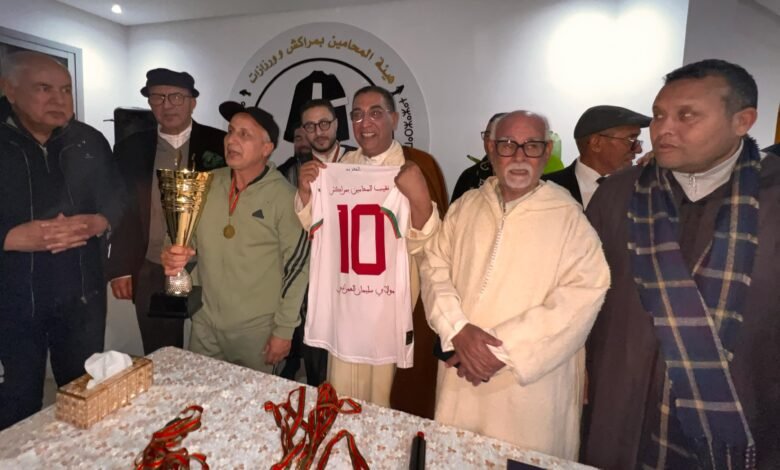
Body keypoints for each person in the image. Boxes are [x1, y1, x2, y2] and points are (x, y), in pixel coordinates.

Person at [585, 59, 780, 468]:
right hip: (622, 410)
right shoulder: (617, 194)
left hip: (743, 414)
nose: (663, 129)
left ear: (742, 121)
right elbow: (582, 296)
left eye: (686, 115)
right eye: (659, 115)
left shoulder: (772, 201)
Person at [419, 110, 609, 459]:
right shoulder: (466, 206)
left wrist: (501, 351)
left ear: (546, 150)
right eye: (508, 145)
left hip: (528, 389)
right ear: (491, 148)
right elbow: (434, 267)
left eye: (532, 145)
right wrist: (456, 328)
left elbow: (584, 293)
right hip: (461, 373)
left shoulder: (568, 217)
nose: (520, 156)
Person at [295, 86, 447, 415]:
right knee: (342, 400)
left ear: (394, 119)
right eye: (357, 115)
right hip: (348, 304)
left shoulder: (416, 165)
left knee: (385, 406)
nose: (365, 123)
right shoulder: (342, 166)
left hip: (392, 309)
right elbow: (319, 230)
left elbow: (434, 244)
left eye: (375, 113)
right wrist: (307, 192)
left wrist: (420, 199)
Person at [0, 51, 126, 430]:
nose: (59, 99)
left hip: (81, 298)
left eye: (66, 90)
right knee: (17, 402)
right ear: (9, 90)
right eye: (44, 88)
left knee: (83, 394)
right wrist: (9, 238)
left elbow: (118, 198)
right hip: (12, 303)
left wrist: (100, 221)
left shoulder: (88, 141)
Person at [161, 102, 308, 374]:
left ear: (267, 148)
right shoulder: (204, 184)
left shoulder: (285, 197)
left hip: (258, 332)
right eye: (230, 131)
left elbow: (298, 268)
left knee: (256, 399)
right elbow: (178, 237)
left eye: (244, 134)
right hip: (204, 325)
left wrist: (284, 330)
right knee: (201, 394)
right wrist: (171, 253)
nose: (231, 140)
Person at [107, 68, 226, 354]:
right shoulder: (129, 148)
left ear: (192, 102)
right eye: (157, 97)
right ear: (149, 102)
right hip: (151, 263)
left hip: (209, 265)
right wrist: (120, 268)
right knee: (160, 349)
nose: (167, 105)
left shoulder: (220, 144)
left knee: (214, 343)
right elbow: (121, 210)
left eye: (176, 97)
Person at [543, 105, 650, 208]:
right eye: (631, 139)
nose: (639, 149)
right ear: (596, 143)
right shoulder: (544, 188)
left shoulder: (642, 185)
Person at [450, 113, 506, 203]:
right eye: (487, 135)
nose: (490, 142)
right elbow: (453, 211)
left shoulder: (526, 178)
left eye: (497, 136)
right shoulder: (469, 176)